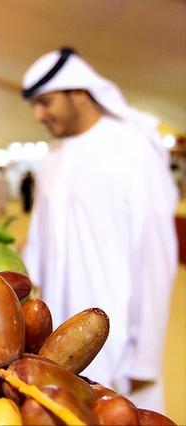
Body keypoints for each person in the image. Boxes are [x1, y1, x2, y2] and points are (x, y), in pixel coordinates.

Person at [21, 47, 178, 411]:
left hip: (117, 341)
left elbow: (155, 258)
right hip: (57, 336)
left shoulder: (132, 150)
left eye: (45, 102)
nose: (37, 115)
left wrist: (145, 358)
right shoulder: (52, 160)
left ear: (79, 92)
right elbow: (37, 250)